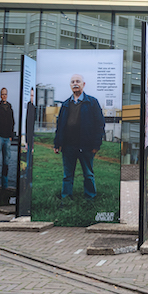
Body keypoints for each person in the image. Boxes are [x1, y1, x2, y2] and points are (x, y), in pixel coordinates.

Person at [53, 74, 105, 204]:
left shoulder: (92, 102)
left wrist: (96, 144)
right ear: (70, 85)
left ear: (83, 84)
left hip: (86, 145)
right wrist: (57, 143)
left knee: (88, 173)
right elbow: (60, 126)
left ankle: (90, 197)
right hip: (68, 146)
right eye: (72, 82)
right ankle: (66, 197)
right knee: (67, 175)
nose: (75, 83)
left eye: (78, 81)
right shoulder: (65, 104)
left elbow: (100, 124)